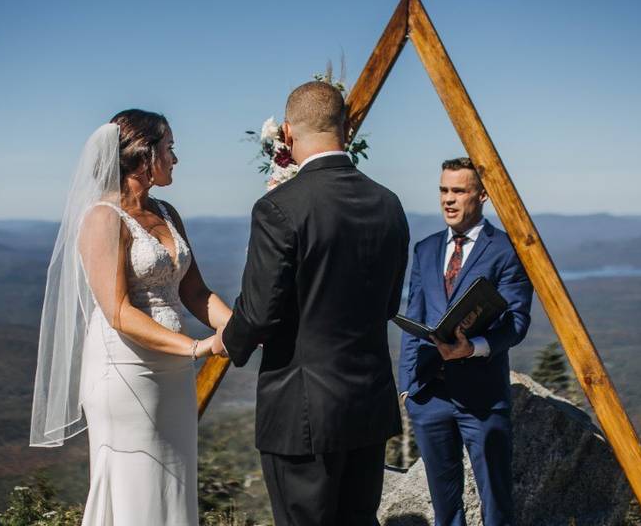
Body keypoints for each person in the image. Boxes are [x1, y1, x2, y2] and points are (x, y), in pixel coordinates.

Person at [218, 81, 410, 526]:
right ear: (345, 127)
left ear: (287, 134)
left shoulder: (279, 207)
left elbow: (261, 312)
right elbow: (387, 304)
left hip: (303, 414)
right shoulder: (389, 204)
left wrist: (229, 341)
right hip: (368, 407)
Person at [30, 109, 231, 526]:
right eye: (170, 148)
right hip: (126, 374)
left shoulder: (168, 213)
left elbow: (194, 291)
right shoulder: (103, 218)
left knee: (173, 484)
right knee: (136, 485)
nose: (175, 158)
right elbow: (119, 312)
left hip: (172, 375)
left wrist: (236, 325)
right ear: (143, 155)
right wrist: (196, 347)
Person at [398, 158, 533, 526]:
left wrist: (473, 347)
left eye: (459, 191)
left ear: (483, 195)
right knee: (445, 511)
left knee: (497, 508)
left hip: (483, 400)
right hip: (430, 397)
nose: (448, 199)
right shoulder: (425, 249)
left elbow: (517, 323)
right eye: (444, 190)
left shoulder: (507, 250)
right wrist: (408, 390)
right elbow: (416, 316)